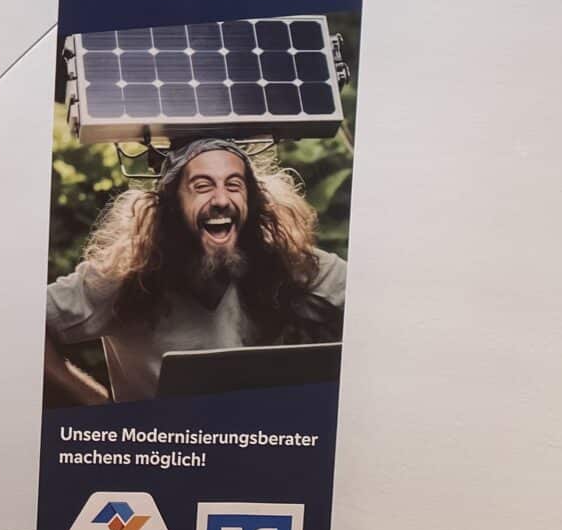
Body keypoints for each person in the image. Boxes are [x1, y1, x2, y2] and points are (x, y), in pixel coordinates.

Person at [43, 139, 346, 406]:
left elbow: (371, 300)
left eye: (234, 185)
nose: (221, 200)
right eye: (202, 186)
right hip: (159, 446)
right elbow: (25, 321)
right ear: (172, 205)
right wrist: (92, 399)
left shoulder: (286, 264)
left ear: (251, 202)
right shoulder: (124, 276)